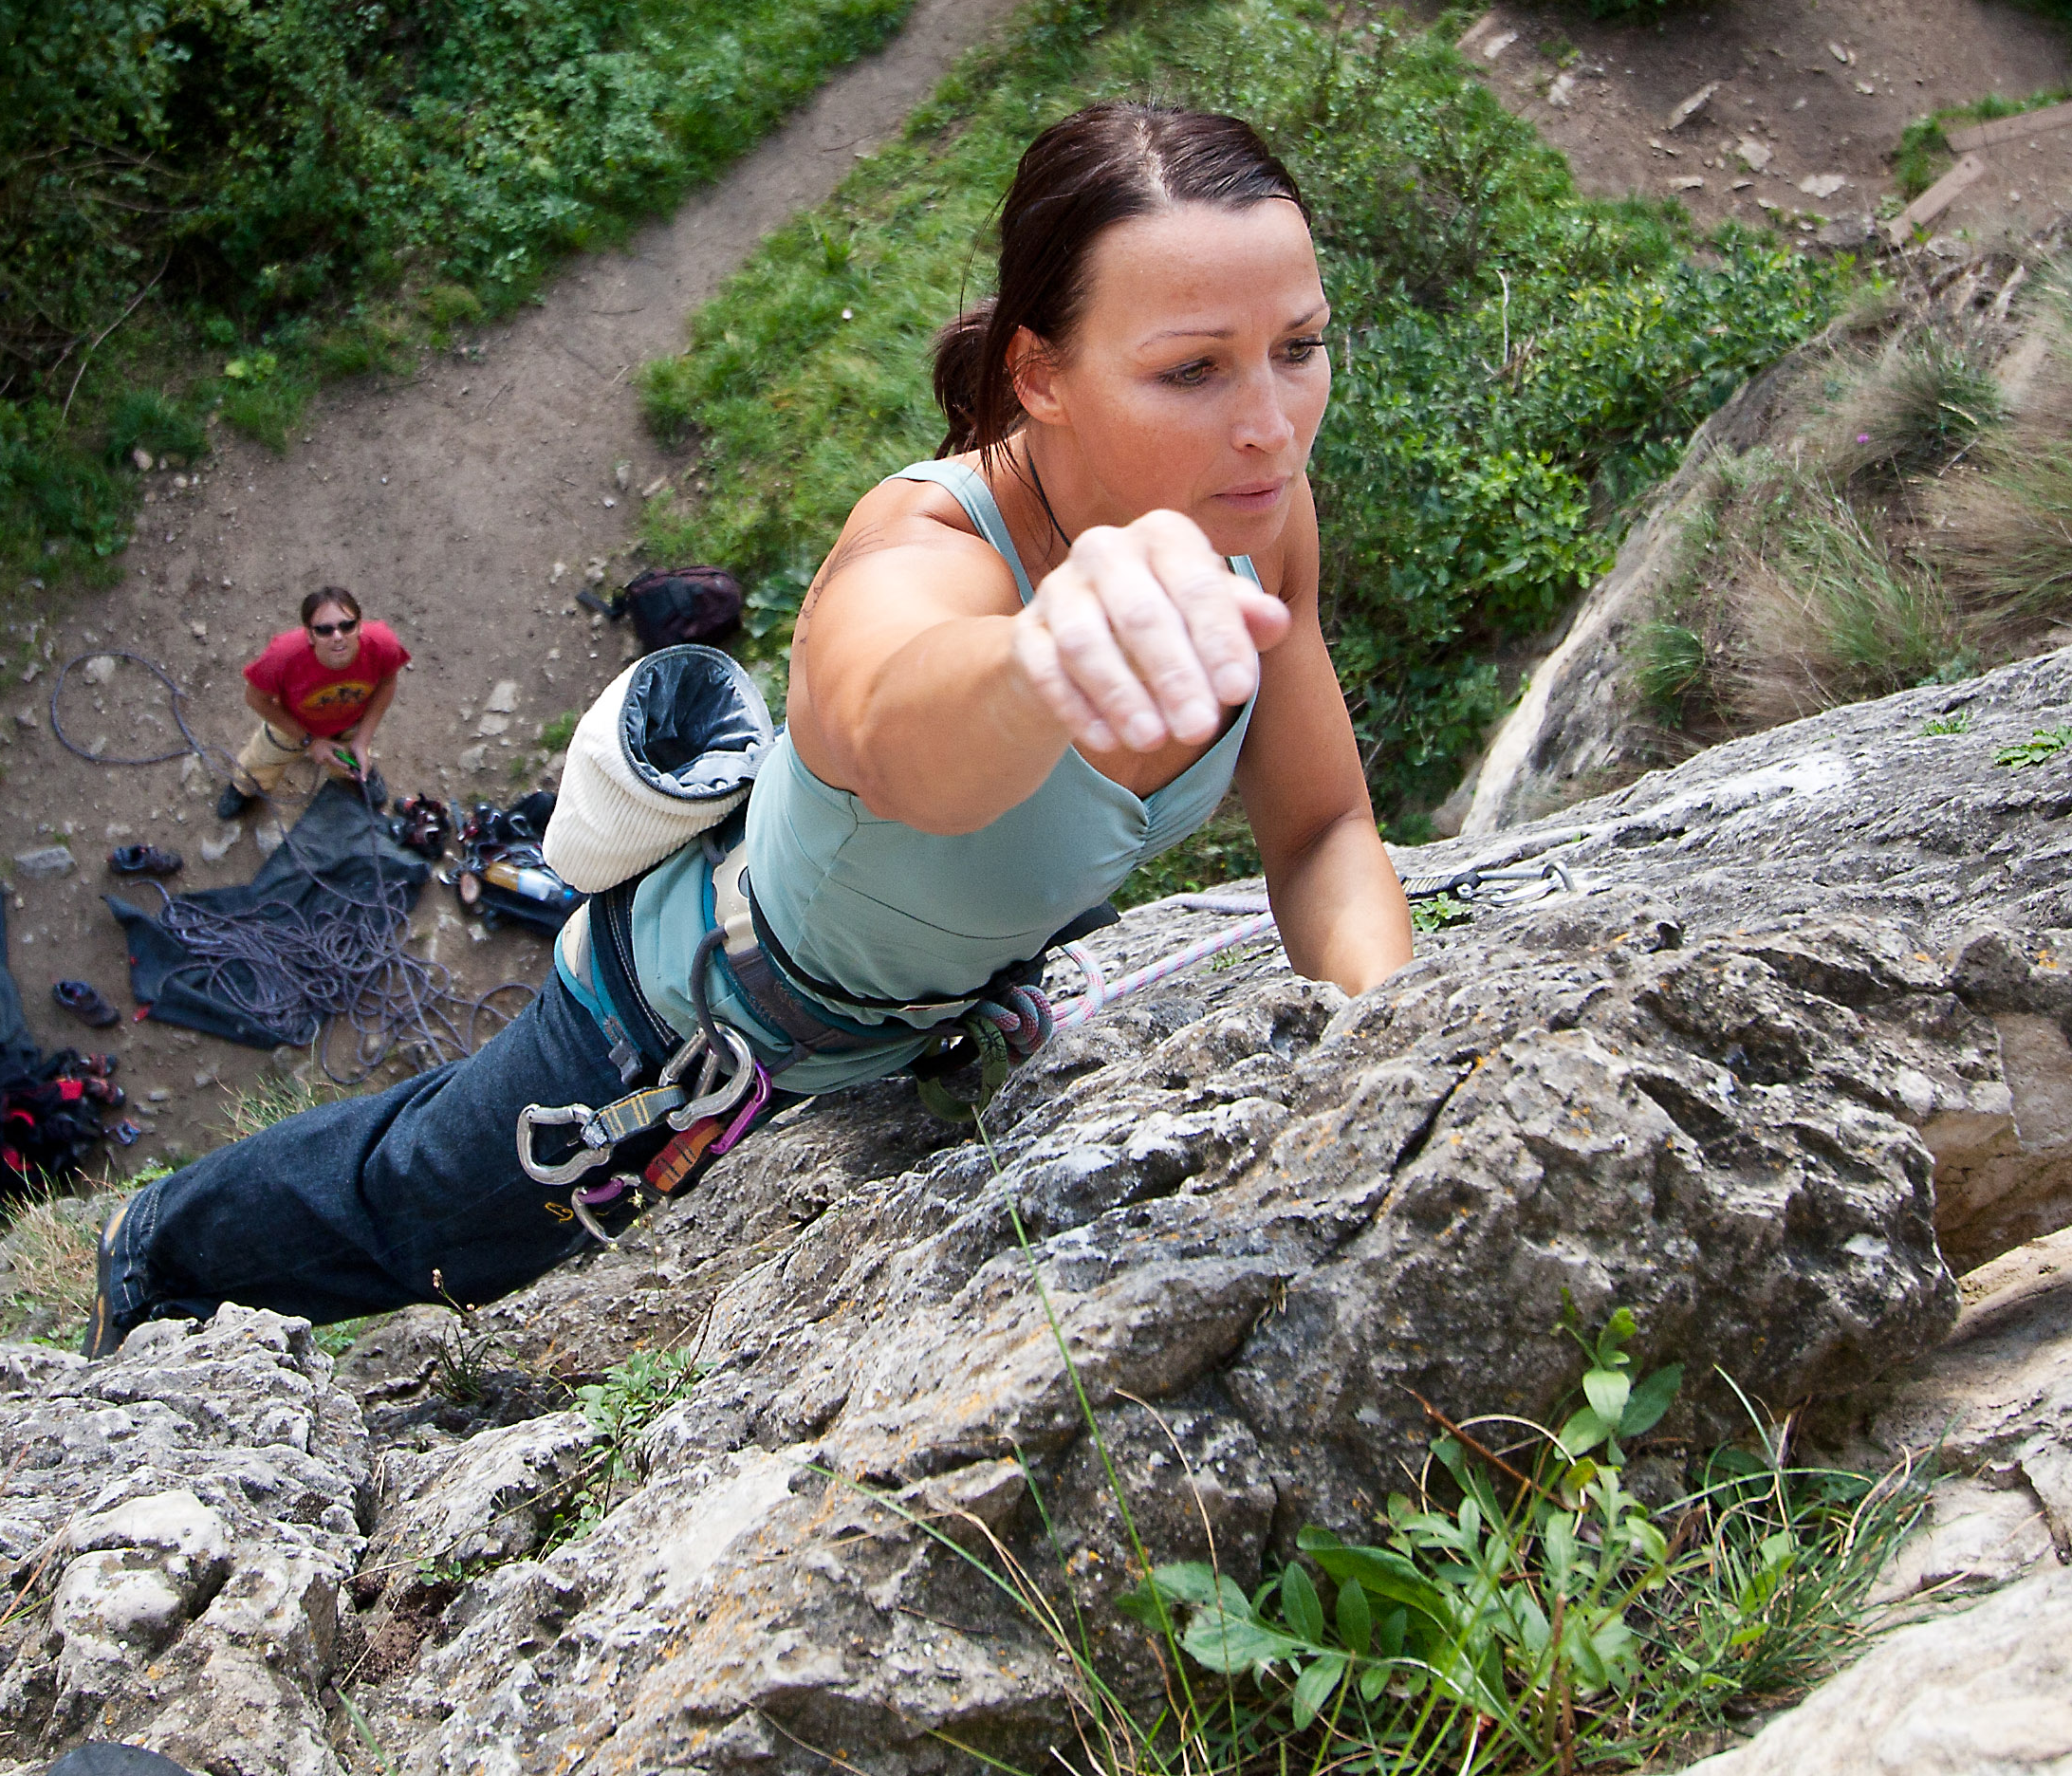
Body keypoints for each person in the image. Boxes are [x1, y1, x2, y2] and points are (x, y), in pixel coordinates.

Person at [85, 102, 1414, 1356]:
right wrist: (1042, 662)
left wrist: (1395, 1048)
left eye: (1300, 346)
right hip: (668, 1024)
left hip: (895, 1018)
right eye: (1192, 369)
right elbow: (903, 730)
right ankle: (154, 1246)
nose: (1271, 423)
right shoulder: (920, 549)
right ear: (1041, 373)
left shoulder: (1258, 520)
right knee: (428, 1220)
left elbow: (1321, 829)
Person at [213, 586, 406, 818]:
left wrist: (363, 739)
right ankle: (244, 787)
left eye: (347, 625)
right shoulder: (282, 657)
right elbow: (256, 699)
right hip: (295, 723)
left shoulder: (383, 645)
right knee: (262, 760)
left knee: (351, 760)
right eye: (325, 630)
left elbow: (387, 682)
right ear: (309, 634)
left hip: (350, 723)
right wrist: (310, 742)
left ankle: (357, 775)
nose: (338, 637)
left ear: (360, 625)